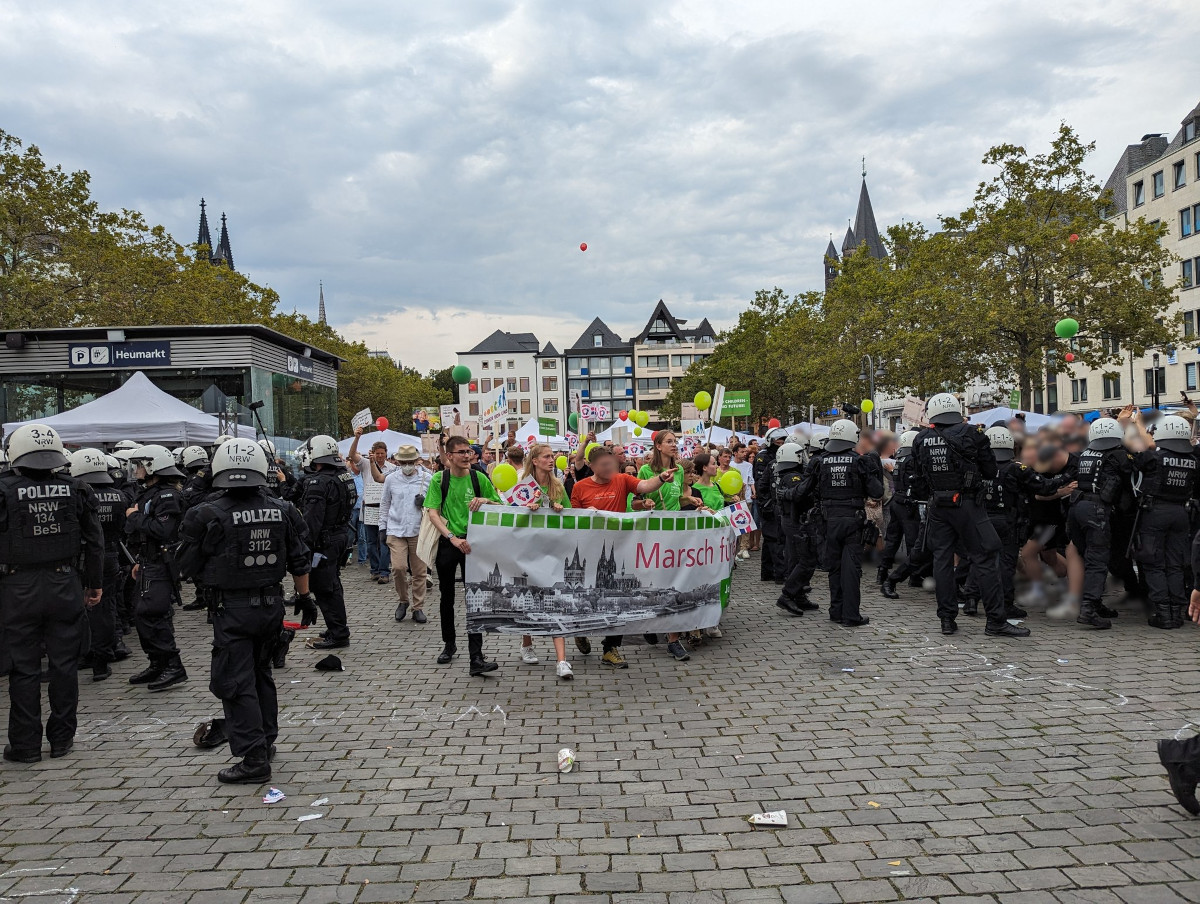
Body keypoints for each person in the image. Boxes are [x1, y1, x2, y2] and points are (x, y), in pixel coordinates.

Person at [177, 439, 315, 784]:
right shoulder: (282, 508)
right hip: (270, 606)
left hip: (231, 609)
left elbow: (182, 567)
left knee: (234, 682)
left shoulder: (205, 513)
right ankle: (265, 740)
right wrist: (305, 596)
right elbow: (300, 556)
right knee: (261, 674)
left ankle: (254, 760)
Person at [0, 425, 104, 763]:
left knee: (23, 668)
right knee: (64, 666)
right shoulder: (77, 489)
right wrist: (94, 583)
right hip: (65, 583)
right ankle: (62, 739)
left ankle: (26, 746)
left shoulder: (3, 490)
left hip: (17, 587)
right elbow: (95, 542)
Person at [912, 393, 1029, 639]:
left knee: (942, 560)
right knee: (986, 557)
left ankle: (946, 619)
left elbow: (919, 474)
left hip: (938, 506)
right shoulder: (973, 434)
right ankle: (996, 620)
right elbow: (989, 469)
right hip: (967, 504)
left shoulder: (921, 438)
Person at [570, 446, 680, 664]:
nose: (610, 467)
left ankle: (610, 648)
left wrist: (661, 478)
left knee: (619, 600)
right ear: (592, 466)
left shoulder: (622, 480)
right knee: (586, 595)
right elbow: (572, 518)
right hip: (589, 549)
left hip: (617, 549)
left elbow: (645, 485)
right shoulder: (580, 487)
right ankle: (579, 628)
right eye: (604, 464)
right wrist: (584, 514)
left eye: (612, 463)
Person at [423, 435, 504, 676]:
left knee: (475, 599)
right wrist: (452, 538)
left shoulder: (479, 478)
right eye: (461, 452)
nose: (467, 456)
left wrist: (485, 499)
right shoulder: (440, 479)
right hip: (450, 543)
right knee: (446, 597)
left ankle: (476, 657)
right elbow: (433, 513)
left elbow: (501, 505)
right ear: (449, 456)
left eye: (469, 451)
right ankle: (449, 644)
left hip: (474, 544)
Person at [796, 420, 883, 627]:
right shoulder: (860, 461)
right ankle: (851, 615)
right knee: (851, 568)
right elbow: (877, 491)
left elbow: (804, 490)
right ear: (852, 436)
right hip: (852, 520)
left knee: (834, 567)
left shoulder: (820, 461)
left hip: (828, 520)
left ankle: (836, 611)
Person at [125, 444, 190, 690]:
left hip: (162, 563)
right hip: (149, 561)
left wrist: (134, 516)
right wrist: (140, 561)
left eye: (141, 465)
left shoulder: (166, 495)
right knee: (141, 613)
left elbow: (163, 530)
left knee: (154, 614)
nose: (138, 470)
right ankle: (158, 663)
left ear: (154, 466)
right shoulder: (149, 493)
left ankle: (173, 666)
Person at [1065, 417, 1133, 630]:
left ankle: (1095, 603)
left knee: (1088, 557)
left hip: (1077, 508)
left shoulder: (1086, 453)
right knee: (1097, 560)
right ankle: (1088, 610)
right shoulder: (1118, 454)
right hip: (1097, 511)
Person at [68, 449, 129, 682]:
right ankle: (101, 660)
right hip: (111, 554)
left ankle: (90, 654)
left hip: (83, 556)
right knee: (106, 608)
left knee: (82, 609)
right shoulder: (120, 496)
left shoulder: (78, 495)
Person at [514, 443, 574, 678]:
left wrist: (558, 508)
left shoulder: (558, 486)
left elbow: (570, 515)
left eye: (553, 457)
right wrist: (526, 509)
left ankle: (561, 660)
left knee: (554, 599)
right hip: (528, 551)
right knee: (529, 597)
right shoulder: (522, 486)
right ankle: (526, 643)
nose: (552, 460)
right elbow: (510, 513)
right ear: (535, 460)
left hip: (552, 551)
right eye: (547, 457)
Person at [296, 435, 358, 650]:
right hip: (341, 536)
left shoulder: (318, 482)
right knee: (333, 584)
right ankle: (336, 627)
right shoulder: (343, 476)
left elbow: (312, 521)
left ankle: (339, 633)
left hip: (324, 542)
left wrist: (303, 547)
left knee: (324, 587)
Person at [638, 431, 691, 659]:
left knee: (675, 584)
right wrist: (644, 502)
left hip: (676, 532)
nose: (674, 445)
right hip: (653, 534)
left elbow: (675, 499)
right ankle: (650, 622)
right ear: (658, 446)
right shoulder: (646, 470)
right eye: (669, 442)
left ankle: (673, 640)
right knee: (654, 584)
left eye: (675, 442)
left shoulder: (679, 471)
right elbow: (634, 501)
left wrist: (689, 500)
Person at [379, 445, 431, 624]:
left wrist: (425, 503)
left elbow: (435, 504)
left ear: (416, 461)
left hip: (418, 529)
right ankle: (403, 600)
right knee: (398, 568)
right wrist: (382, 527)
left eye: (411, 462)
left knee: (419, 572)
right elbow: (385, 503)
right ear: (399, 462)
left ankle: (418, 607)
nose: (408, 465)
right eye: (404, 462)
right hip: (396, 529)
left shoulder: (427, 479)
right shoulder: (391, 479)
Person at [348, 428, 395, 585]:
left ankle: (384, 571)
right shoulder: (366, 464)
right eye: (377, 453)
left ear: (386, 453)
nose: (380, 456)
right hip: (368, 507)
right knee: (370, 541)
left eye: (382, 453)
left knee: (384, 541)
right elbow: (353, 454)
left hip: (384, 508)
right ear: (373, 453)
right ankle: (374, 569)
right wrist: (356, 438)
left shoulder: (392, 468)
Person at [754, 428, 788, 581]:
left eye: (782, 442)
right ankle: (780, 573)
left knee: (769, 540)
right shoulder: (763, 457)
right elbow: (761, 482)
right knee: (774, 538)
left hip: (774, 502)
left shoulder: (780, 455)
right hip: (768, 502)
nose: (780, 445)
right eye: (777, 442)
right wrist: (766, 503)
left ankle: (767, 572)